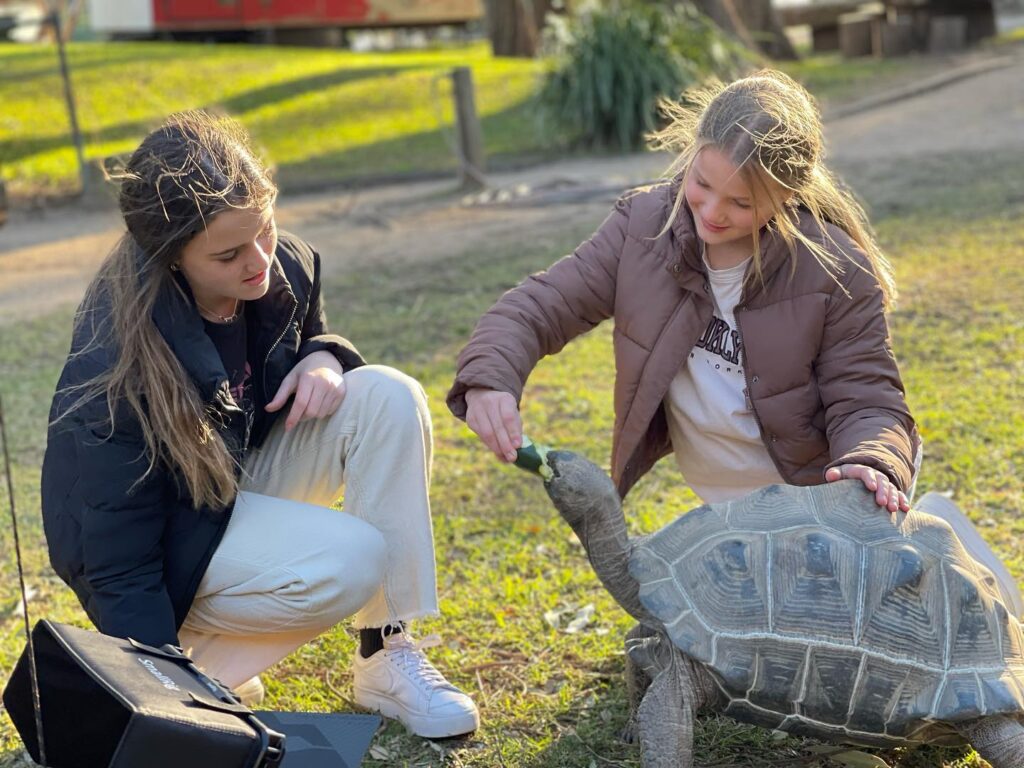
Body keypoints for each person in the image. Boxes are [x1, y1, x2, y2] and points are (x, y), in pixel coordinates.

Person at [41, 111, 478, 739]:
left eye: (265, 230)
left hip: (235, 489)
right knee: (354, 558)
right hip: (166, 547)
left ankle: (385, 655)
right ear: (172, 259)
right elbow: (112, 559)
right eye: (229, 253)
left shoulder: (279, 265)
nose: (260, 261)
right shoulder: (118, 362)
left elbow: (304, 328)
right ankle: (201, 678)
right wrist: (162, 696)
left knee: (386, 395)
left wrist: (324, 354)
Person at [448, 70, 921, 513]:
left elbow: (866, 396)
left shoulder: (834, 269)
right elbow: (540, 306)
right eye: (702, 183)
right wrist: (490, 380)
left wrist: (873, 462)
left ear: (786, 196)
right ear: (691, 153)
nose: (712, 212)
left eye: (741, 202)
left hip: (826, 500)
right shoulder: (643, 228)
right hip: (726, 508)